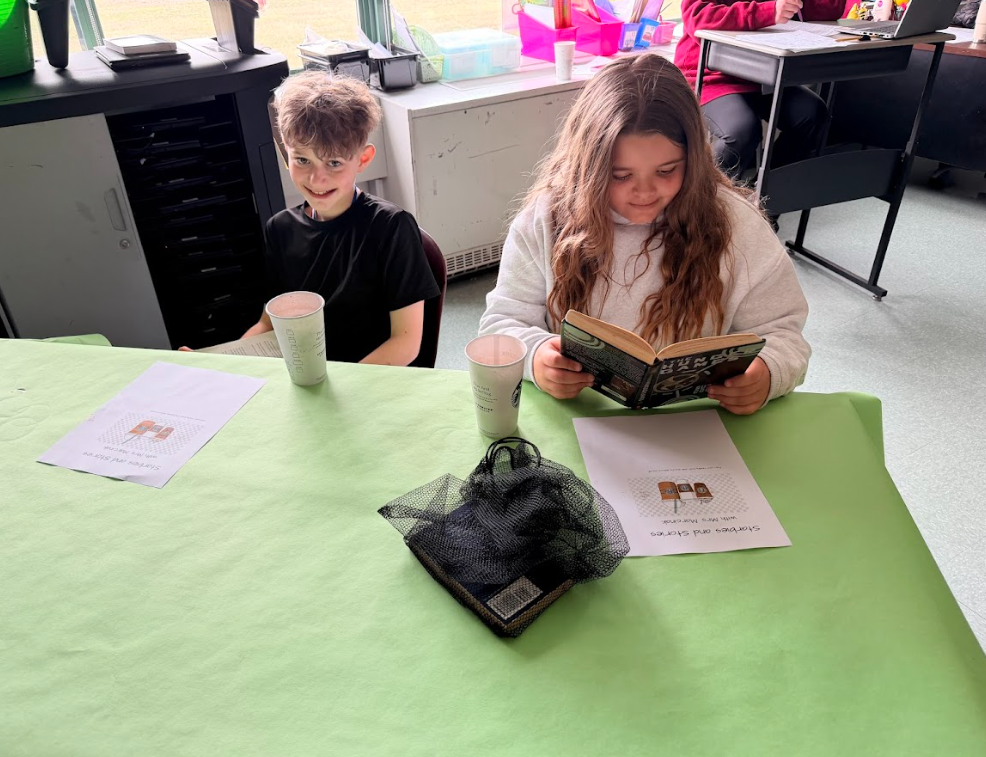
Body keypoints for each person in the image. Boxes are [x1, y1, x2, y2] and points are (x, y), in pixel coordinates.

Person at [478, 54, 810, 416]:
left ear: (695, 158)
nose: (644, 193)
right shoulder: (548, 218)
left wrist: (768, 374)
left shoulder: (736, 224)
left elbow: (785, 335)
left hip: (696, 425)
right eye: (621, 176)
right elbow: (502, 323)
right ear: (587, 166)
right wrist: (537, 358)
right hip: (579, 418)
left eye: (667, 170)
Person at [242, 71, 439, 365]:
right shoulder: (279, 230)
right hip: (310, 377)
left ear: (363, 159)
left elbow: (406, 343)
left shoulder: (391, 228)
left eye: (334, 162)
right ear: (286, 155)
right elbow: (269, 325)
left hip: (368, 385)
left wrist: (339, 391)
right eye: (302, 160)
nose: (316, 178)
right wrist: (220, 362)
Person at [674, 0, 850, 180]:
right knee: (741, 131)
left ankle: (760, 198)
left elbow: (827, 11)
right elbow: (697, 17)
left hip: (763, 73)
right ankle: (698, 199)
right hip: (709, 74)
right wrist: (768, 11)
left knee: (812, 114)